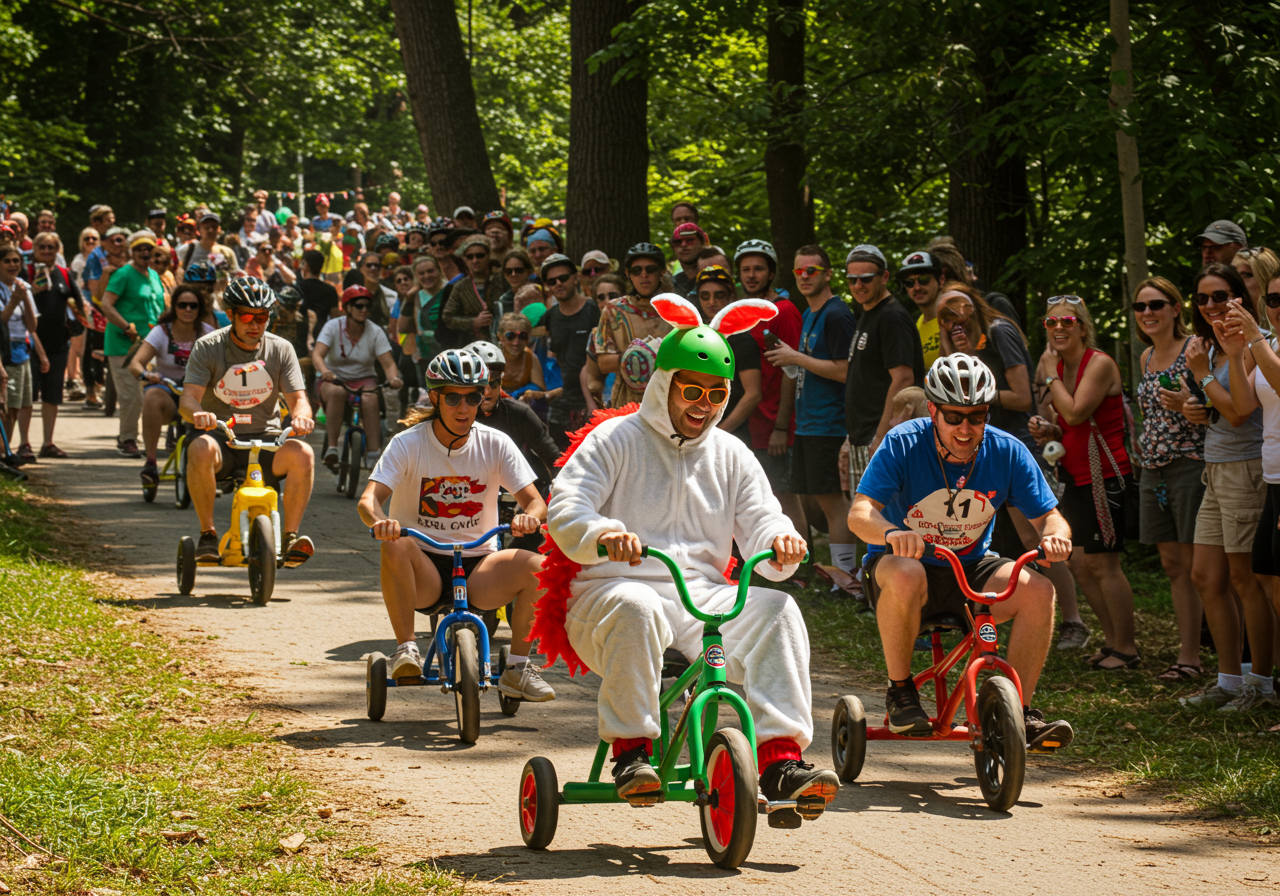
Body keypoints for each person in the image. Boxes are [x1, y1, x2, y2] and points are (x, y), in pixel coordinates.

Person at [540, 293, 840, 822]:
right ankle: (632, 754)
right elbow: (566, 508)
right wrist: (604, 533)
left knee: (777, 611)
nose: (703, 404)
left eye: (716, 393)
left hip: (699, 595)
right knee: (637, 604)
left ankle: (780, 760)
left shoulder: (730, 454)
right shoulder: (616, 437)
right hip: (609, 590)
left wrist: (781, 542)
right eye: (691, 390)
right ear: (664, 385)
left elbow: (763, 519)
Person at [849, 354, 1075, 749]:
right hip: (905, 568)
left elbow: (1050, 518)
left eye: (977, 416)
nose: (966, 429)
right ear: (933, 409)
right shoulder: (902, 442)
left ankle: (1019, 714)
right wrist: (892, 533)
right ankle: (900, 691)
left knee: (1039, 590)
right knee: (906, 571)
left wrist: (1056, 537)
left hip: (970, 568)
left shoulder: (1007, 450)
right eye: (954, 417)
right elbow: (859, 514)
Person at [359, 349, 556, 702]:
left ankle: (517, 668)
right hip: (425, 566)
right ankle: (406, 649)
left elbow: (536, 501)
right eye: (453, 397)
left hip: (479, 561)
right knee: (396, 543)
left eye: (473, 397)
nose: (464, 408)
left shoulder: (495, 443)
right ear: (435, 397)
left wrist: (531, 516)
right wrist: (381, 522)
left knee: (538, 568)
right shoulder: (409, 443)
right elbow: (368, 500)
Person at [1176, 264, 1272, 709]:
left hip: (1246, 469)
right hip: (1213, 468)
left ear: (1241, 296)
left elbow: (1239, 412)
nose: (1212, 305)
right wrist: (1194, 405)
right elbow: (1220, 410)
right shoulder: (1210, 347)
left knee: (1244, 579)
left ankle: (1260, 684)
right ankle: (1228, 680)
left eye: (1221, 296)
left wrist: (1204, 377)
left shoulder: (1254, 346)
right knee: (1204, 576)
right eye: (1203, 298)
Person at [1029, 296, 1138, 671]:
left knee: (1104, 564)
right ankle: (1110, 641)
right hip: (1075, 475)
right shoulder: (1059, 367)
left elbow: (1076, 412)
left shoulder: (1100, 363)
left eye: (1067, 321)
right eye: (1051, 322)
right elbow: (1066, 422)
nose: (1059, 328)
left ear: (1082, 326)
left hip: (1105, 477)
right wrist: (1048, 430)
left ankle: (1126, 647)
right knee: (1076, 562)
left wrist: (1049, 375)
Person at [180, 277, 316, 567]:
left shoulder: (281, 348)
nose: (255, 324)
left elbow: (298, 398)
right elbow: (188, 399)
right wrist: (198, 414)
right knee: (200, 448)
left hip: (267, 439)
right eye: (246, 316)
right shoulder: (208, 346)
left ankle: (290, 537)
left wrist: (302, 415)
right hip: (222, 436)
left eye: (262, 317)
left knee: (303, 454)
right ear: (230, 315)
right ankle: (207, 534)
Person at [764, 245, 861, 581]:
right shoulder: (809, 314)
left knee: (834, 503)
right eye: (798, 271)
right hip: (808, 423)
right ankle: (833, 572)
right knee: (817, 500)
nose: (804, 277)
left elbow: (848, 371)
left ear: (829, 274)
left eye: (812, 271)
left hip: (829, 424)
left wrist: (796, 358)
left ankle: (846, 577)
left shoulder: (837, 314)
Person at [1129, 276, 1210, 682]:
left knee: (1199, 567)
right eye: (1140, 307)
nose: (1147, 313)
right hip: (1153, 468)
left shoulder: (1195, 348)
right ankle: (1187, 655)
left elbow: (1213, 406)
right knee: (1172, 563)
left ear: (1176, 308)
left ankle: (1199, 657)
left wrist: (1186, 405)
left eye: (1156, 305)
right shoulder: (1145, 358)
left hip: (1190, 463)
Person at [1221, 270, 1280, 710]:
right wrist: (1234, 353)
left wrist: (1255, 337)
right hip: (1273, 478)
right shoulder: (1270, 345)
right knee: (1266, 573)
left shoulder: (1268, 342)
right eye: (1274, 300)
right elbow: (1242, 407)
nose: (1278, 308)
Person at [733, 239, 808, 550]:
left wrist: (781, 426)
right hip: (753, 420)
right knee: (762, 496)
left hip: (776, 420)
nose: (752, 275)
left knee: (784, 496)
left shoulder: (783, 310)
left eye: (759, 269)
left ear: (772, 272)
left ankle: (802, 562)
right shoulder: (741, 312)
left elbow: (792, 369)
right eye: (746, 269)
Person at [129, 286, 215, 485]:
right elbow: (136, 362)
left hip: (198, 394)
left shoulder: (208, 333)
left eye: (193, 306)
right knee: (151, 396)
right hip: (168, 389)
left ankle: (218, 462)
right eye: (182, 305)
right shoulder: (161, 332)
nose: (187, 310)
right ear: (174, 307)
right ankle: (150, 462)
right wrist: (146, 374)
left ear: (199, 309)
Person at [313, 286, 404, 470]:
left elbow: (388, 363)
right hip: (334, 378)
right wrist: (325, 372)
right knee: (337, 393)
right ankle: (332, 448)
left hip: (364, 378)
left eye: (367, 306)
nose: (364, 310)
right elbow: (317, 355)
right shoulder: (332, 326)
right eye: (359, 305)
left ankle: (373, 453)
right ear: (347, 308)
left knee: (371, 400)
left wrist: (394, 379)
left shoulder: (375, 331)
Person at [465, 340, 560, 496]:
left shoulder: (519, 413)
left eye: (494, 384)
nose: (487, 393)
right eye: (480, 386)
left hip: (514, 494)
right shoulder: (453, 414)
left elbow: (554, 459)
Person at [101, 232, 166, 458]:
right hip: (123, 344)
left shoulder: (154, 276)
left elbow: (159, 309)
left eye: (149, 249)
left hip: (149, 344)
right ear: (132, 252)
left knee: (147, 394)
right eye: (139, 249)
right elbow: (106, 305)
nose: (144, 253)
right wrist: (126, 328)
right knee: (131, 395)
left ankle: (134, 436)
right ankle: (127, 439)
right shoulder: (123, 274)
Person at [594, 243, 673, 408]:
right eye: (637, 271)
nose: (644, 275)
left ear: (662, 272)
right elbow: (604, 363)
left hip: (667, 401)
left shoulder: (675, 309)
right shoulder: (613, 310)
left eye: (650, 269)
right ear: (628, 274)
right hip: (627, 404)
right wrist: (649, 354)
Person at [27, 233, 84, 458]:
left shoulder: (64, 274)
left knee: (52, 396)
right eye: (42, 247)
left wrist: (77, 324)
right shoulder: (26, 272)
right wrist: (32, 290)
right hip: (29, 344)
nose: (47, 251)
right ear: (34, 249)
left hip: (59, 345)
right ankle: (24, 444)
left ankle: (48, 443)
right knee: (27, 397)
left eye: (51, 247)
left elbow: (78, 305)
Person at [693, 266, 762, 443]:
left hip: (731, 437)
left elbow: (753, 394)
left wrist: (718, 433)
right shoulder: (696, 335)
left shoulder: (741, 339)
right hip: (697, 433)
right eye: (705, 296)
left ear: (731, 296)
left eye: (719, 295)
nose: (712, 302)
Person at [540, 254, 600, 448]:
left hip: (594, 398)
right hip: (561, 403)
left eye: (563, 278)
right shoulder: (550, 316)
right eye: (551, 281)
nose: (558, 283)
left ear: (575, 278)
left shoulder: (593, 310)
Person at [1, 245, 46, 462]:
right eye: (7, 261)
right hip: (5, 351)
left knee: (22, 404)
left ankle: (16, 448)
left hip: (23, 350)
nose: (12, 265)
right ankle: (4, 452)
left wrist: (25, 296)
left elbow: (32, 325)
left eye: (16, 261)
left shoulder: (23, 286)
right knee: (8, 406)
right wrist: (14, 300)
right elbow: (1, 321)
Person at [440, 235, 497, 348]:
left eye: (480, 256)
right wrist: (473, 322)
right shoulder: (461, 286)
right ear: (465, 260)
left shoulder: (500, 280)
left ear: (488, 256)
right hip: (472, 345)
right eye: (470, 257)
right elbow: (448, 317)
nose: (475, 260)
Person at [899, 251, 944, 367]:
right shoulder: (917, 325)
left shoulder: (954, 317)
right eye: (909, 283)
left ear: (941, 280)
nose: (917, 287)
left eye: (924, 279)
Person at [298, 249, 340, 355]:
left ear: (306, 266)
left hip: (299, 339)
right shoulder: (330, 290)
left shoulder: (297, 288)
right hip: (322, 338)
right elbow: (335, 318)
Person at [496, 312, 543, 398]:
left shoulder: (530, 358)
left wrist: (528, 394)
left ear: (528, 339)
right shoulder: (492, 357)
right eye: (510, 336)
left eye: (522, 336)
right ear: (500, 337)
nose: (516, 342)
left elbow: (540, 391)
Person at [670, 222, 708, 297]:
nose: (683, 245)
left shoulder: (715, 277)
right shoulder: (671, 284)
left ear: (703, 243)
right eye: (678, 242)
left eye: (690, 240)